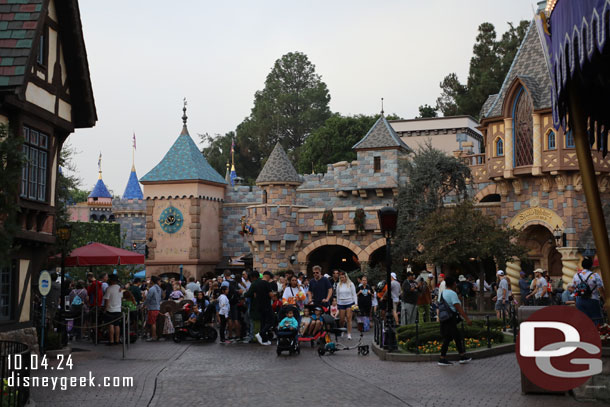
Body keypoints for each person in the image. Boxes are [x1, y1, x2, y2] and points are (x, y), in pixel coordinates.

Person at [437, 276, 472, 366]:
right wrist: (467, 319)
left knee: (453, 337)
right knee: (452, 337)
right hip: (451, 318)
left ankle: (461, 356)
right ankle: (443, 358)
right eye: (455, 283)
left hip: (444, 318)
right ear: (453, 284)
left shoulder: (443, 293)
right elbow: (458, 308)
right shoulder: (452, 294)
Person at [572, 257, 605, 325]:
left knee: (582, 321)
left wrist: (576, 300)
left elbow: (573, 288)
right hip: (593, 300)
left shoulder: (576, 275)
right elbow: (601, 289)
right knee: (596, 321)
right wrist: (605, 301)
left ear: (582, 265)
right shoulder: (595, 275)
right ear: (591, 266)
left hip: (580, 300)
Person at [245, 270, 274, 346]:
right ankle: (261, 333)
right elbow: (271, 295)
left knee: (263, 323)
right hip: (267, 305)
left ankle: (264, 340)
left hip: (259, 306)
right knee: (271, 321)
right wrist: (274, 295)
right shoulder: (266, 283)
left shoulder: (255, 284)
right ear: (267, 277)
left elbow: (252, 294)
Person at [336, 272, 358, 339]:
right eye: (340, 278)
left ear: (346, 277)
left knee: (349, 318)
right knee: (342, 319)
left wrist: (356, 303)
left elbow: (354, 294)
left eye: (343, 277)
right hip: (341, 303)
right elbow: (337, 295)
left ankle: (349, 333)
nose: (342, 279)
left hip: (349, 302)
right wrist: (337, 303)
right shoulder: (338, 285)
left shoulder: (351, 284)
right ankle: (342, 330)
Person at [103, 275, 123, 346]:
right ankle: (117, 340)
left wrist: (105, 309)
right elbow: (121, 298)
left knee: (111, 325)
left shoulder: (109, 289)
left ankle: (111, 341)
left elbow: (107, 300)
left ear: (111, 280)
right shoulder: (120, 289)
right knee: (117, 325)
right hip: (118, 309)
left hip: (110, 309)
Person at [144, 275, 162, 341]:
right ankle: (155, 335)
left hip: (152, 308)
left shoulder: (152, 289)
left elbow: (148, 298)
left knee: (152, 323)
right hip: (157, 307)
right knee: (155, 322)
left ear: (152, 281)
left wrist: (144, 305)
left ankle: (153, 336)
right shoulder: (159, 288)